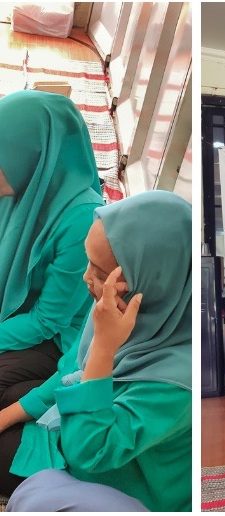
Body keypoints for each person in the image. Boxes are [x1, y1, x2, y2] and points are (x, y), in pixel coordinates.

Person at [0, 190, 192, 511]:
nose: (86, 277)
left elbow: (88, 451)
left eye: (101, 274)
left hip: (113, 474)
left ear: (154, 280)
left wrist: (104, 347)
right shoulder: (124, 310)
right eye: (89, 262)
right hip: (80, 428)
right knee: (11, 399)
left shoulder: (175, 384)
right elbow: (71, 372)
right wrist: (9, 414)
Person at [0, 90, 103, 408]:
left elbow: (47, 320)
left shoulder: (81, 218)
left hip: (53, 336)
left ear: (32, 155)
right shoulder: (19, 190)